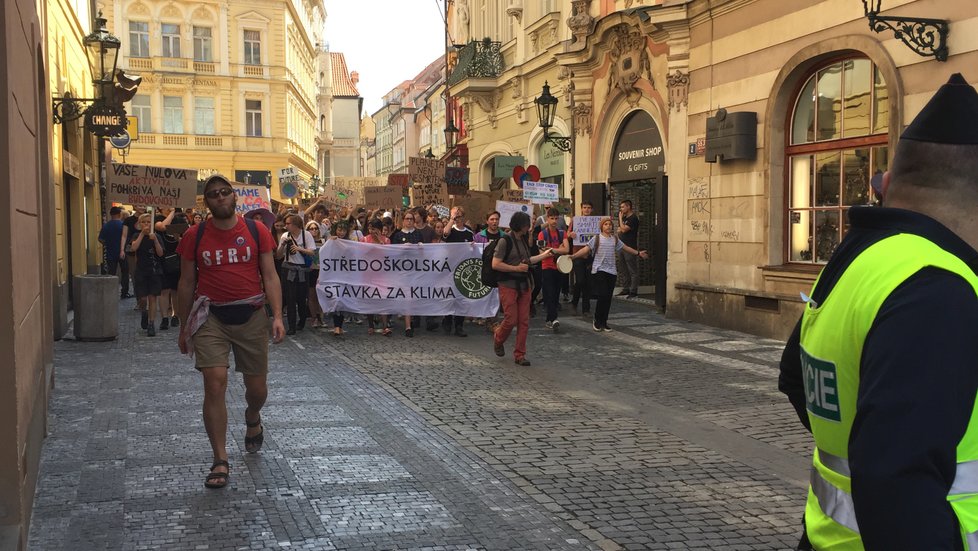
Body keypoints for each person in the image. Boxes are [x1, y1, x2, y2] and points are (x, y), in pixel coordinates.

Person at [778, 74, 978, 550]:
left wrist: (853, 432)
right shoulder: (937, 288)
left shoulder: (857, 259)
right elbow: (896, 481)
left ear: (891, 183)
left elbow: (794, 376)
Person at [176, 174, 283, 490]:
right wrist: (184, 327)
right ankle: (219, 459)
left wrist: (277, 315)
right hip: (211, 316)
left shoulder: (256, 230)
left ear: (234, 198)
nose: (220, 197)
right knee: (214, 382)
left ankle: (252, 417)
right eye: (213, 194)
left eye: (225, 192)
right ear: (206, 201)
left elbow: (270, 275)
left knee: (257, 389)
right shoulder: (194, 236)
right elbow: (185, 283)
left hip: (251, 316)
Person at [492, 211, 554, 366]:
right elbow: (496, 264)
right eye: (528, 224)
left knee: (524, 321)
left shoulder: (524, 239)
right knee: (511, 319)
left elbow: (527, 260)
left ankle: (520, 354)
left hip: (524, 285)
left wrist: (544, 256)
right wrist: (516, 269)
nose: (530, 227)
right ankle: (498, 337)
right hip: (508, 285)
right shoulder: (505, 241)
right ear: (521, 225)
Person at [568, 217, 648, 331]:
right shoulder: (596, 238)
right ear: (601, 226)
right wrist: (574, 256)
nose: (608, 226)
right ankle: (597, 319)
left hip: (612, 271)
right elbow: (586, 249)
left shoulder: (615, 239)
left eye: (610, 224)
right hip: (599, 269)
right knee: (603, 294)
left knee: (608, 298)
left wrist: (638, 253)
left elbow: (626, 248)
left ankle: (604, 322)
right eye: (605, 224)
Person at [276, 215, 316, 335]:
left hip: (302, 270)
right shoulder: (285, 236)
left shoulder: (306, 235)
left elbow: (312, 251)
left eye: (288, 224)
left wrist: (298, 249)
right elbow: (278, 256)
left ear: (295, 225)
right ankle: (291, 326)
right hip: (288, 269)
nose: (285, 226)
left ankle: (302, 321)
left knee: (301, 297)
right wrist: (282, 245)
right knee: (290, 297)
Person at [130, 213, 165, 335]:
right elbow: (133, 248)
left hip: (154, 270)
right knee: (143, 299)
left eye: (148, 222)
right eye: (144, 222)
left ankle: (151, 324)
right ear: (140, 224)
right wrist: (141, 234)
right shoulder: (136, 235)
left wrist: (155, 239)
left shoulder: (157, 236)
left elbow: (160, 253)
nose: (146, 224)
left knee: (152, 297)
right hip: (141, 271)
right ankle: (144, 312)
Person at [391, 210, 425, 337]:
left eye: (411, 219)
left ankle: (412, 320)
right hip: (402, 270)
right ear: (403, 220)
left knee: (413, 296)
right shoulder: (398, 235)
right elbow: (392, 253)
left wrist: (421, 247)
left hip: (415, 269)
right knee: (407, 297)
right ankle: (408, 326)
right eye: (407, 219)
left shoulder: (418, 234)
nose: (409, 221)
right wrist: (402, 248)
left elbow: (423, 254)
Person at [537, 207, 571, 332]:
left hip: (559, 267)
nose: (554, 221)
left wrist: (552, 250)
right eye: (552, 218)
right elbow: (541, 251)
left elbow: (567, 250)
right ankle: (554, 318)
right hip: (547, 267)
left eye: (556, 218)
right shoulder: (542, 233)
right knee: (550, 293)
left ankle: (549, 319)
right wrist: (558, 249)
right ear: (547, 219)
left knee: (556, 294)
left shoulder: (562, 233)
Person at [442, 206, 474, 337]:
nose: (457, 218)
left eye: (459, 216)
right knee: (450, 296)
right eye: (456, 216)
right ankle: (448, 319)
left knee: (461, 298)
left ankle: (459, 324)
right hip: (450, 268)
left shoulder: (469, 232)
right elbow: (445, 233)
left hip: (463, 269)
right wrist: (451, 219)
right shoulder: (451, 229)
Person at [363, 219, 392, 336]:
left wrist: (380, 241)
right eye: (370, 229)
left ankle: (385, 326)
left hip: (382, 275)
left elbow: (389, 255)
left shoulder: (386, 240)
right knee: (370, 299)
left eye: (374, 229)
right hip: (368, 274)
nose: (371, 231)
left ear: (379, 230)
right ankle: (370, 325)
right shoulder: (365, 239)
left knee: (382, 300)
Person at [568, 200, 595, 316]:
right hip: (577, 254)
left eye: (589, 207)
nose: (587, 209)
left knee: (588, 282)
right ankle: (574, 303)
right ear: (581, 209)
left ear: (592, 209)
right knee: (580, 280)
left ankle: (586, 309)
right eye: (585, 207)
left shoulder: (596, 222)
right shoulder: (575, 221)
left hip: (590, 255)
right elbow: (567, 233)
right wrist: (571, 234)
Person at [98, 206, 129, 298]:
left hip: (110, 252)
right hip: (122, 252)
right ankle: (124, 292)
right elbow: (126, 237)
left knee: (111, 273)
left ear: (111, 215)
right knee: (125, 272)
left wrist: (107, 244)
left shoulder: (106, 226)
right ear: (120, 214)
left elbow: (100, 239)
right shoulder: (123, 225)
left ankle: (111, 293)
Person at [616, 199, 641, 297]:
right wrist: (621, 228)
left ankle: (633, 291)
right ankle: (625, 289)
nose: (621, 209)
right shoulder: (625, 218)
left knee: (632, 269)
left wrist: (620, 218)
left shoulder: (633, 218)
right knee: (623, 269)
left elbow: (623, 229)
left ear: (628, 207)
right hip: (621, 247)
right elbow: (619, 230)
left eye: (622, 207)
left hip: (630, 247)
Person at [305, 221, 325, 328]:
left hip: (321, 271)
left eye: (316, 228)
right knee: (311, 296)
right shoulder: (306, 243)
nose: (314, 230)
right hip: (310, 271)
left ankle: (320, 317)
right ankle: (314, 317)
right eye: (311, 228)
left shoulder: (323, 241)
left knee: (320, 295)